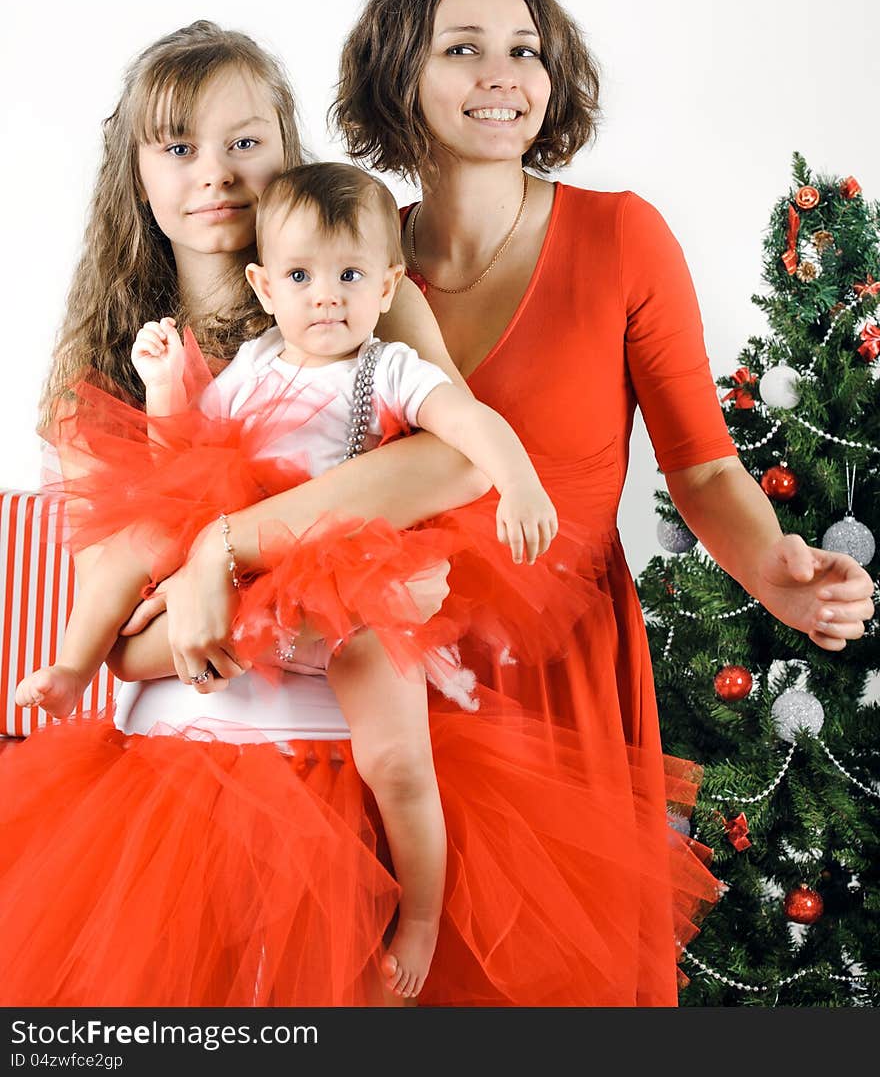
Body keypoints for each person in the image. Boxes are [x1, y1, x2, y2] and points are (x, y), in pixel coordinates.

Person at [17, 159, 585, 998]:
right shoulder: (252, 363)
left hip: (352, 585)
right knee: (142, 534)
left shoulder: (388, 366)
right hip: (248, 576)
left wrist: (522, 480)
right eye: (301, 277)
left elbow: (466, 424)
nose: (327, 297)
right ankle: (71, 665)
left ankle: (418, 913)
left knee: (397, 759)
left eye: (351, 275)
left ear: (390, 281)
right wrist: (169, 387)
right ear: (265, 285)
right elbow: (185, 468)